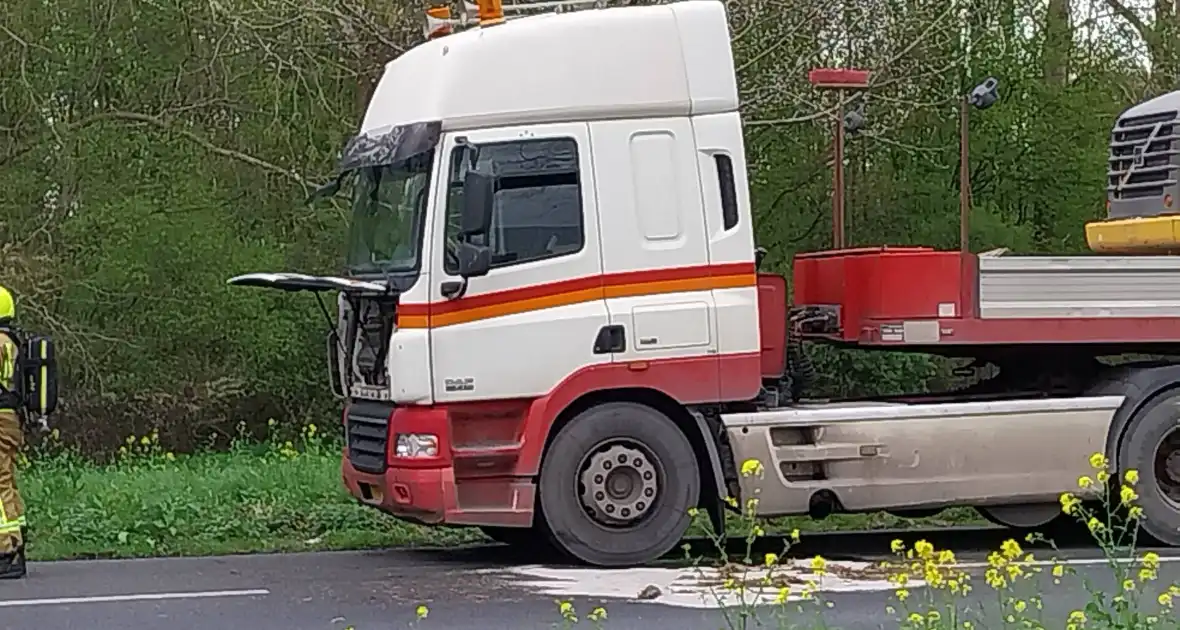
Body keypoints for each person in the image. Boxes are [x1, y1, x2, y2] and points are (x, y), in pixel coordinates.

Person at [0, 285, 26, 579]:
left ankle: (6, 549)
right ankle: (17, 537)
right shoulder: (12, 342)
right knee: (6, 477)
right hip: (10, 418)